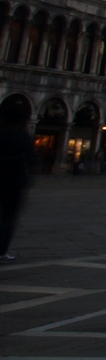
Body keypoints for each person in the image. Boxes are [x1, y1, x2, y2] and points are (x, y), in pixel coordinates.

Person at [0, 101, 32, 261]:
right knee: (9, 217)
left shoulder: (1, 134)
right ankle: (2, 250)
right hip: (15, 182)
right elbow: (31, 160)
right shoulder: (22, 136)